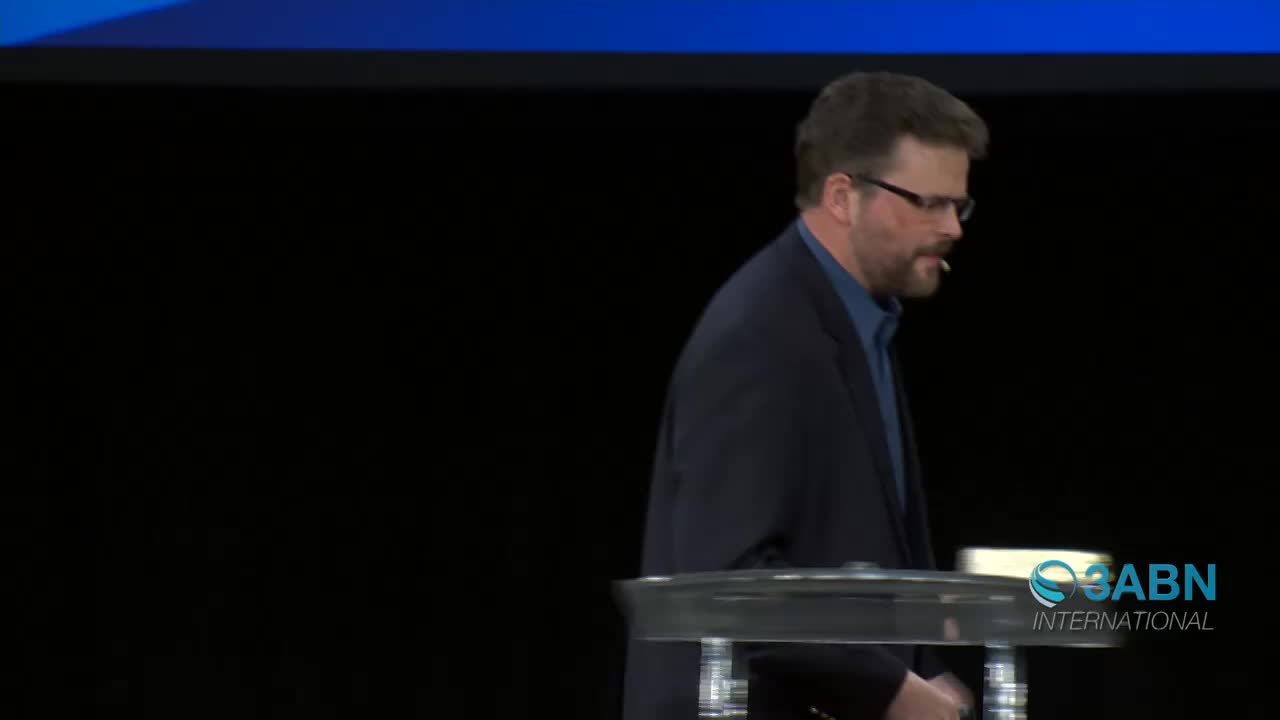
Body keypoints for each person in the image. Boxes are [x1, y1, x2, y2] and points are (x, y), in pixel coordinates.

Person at [621, 71, 989, 720]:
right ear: (843, 196)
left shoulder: (858, 323)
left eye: (958, 205)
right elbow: (732, 581)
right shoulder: (760, 332)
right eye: (929, 203)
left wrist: (927, 674)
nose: (953, 227)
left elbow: (873, 555)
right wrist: (892, 691)